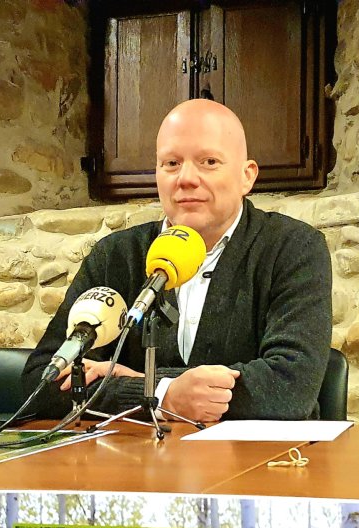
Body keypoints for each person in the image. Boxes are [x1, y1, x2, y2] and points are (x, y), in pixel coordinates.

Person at [24, 99, 332, 422]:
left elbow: (290, 388)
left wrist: (146, 384)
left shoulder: (294, 249)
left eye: (209, 162)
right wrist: (166, 395)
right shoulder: (113, 257)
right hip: (135, 465)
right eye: (171, 163)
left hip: (260, 464)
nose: (185, 178)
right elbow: (41, 382)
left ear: (247, 176)